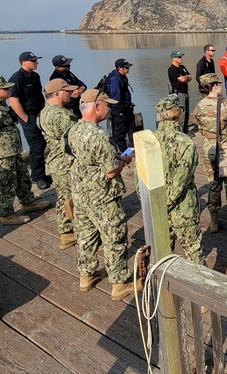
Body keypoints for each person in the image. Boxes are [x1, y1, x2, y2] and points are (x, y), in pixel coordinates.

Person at [67, 89, 141, 300]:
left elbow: (87, 158)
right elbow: (110, 171)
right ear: (96, 106)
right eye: (107, 105)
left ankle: (86, 275)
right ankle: (119, 283)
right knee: (114, 238)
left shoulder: (74, 130)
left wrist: (111, 157)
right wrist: (124, 160)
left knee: (86, 236)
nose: (110, 109)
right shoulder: (99, 136)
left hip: (82, 195)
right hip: (103, 197)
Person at [0, 76, 51, 226]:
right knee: (5, 184)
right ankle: (6, 214)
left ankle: (28, 202)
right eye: (5, 88)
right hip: (0, 154)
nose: (9, 90)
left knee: (22, 177)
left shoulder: (0, 104)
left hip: (12, 150)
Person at [192, 73, 227, 234]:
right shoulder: (226, 105)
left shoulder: (199, 106)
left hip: (210, 148)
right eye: (218, 84)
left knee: (214, 184)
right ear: (214, 86)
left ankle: (214, 222)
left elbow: (199, 127)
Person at [153, 94, 203, 264]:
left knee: (163, 254)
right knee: (193, 251)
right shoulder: (185, 142)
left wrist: (156, 203)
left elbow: (140, 179)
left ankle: (165, 287)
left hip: (156, 206)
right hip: (183, 208)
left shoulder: (148, 140)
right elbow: (181, 180)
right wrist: (169, 201)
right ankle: (199, 289)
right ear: (178, 114)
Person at [39, 78, 80, 250]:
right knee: (74, 199)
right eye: (67, 91)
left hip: (55, 162)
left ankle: (66, 233)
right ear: (57, 93)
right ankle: (77, 233)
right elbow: (77, 137)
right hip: (66, 162)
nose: (70, 94)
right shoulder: (62, 115)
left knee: (64, 198)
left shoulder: (44, 112)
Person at [8, 51, 49, 190]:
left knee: (41, 144)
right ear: (23, 62)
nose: (36, 63)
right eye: (33, 61)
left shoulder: (35, 76)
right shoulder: (17, 78)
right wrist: (25, 119)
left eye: (36, 60)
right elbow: (13, 101)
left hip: (39, 114)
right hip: (29, 116)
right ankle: (38, 177)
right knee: (36, 145)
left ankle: (40, 174)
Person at [105, 58, 136, 154]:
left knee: (132, 131)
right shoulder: (115, 79)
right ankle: (124, 154)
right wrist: (121, 109)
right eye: (126, 68)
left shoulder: (122, 77)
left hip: (127, 109)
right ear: (120, 68)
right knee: (120, 133)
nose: (128, 69)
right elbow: (115, 97)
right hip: (120, 111)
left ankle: (132, 152)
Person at [166, 50, 193, 132]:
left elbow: (190, 77)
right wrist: (185, 77)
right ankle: (180, 131)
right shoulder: (172, 69)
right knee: (181, 112)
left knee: (187, 112)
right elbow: (182, 79)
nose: (181, 58)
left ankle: (185, 130)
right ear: (174, 58)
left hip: (185, 91)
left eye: (181, 56)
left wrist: (186, 77)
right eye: (179, 57)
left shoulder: (182, 67)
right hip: (179, 92)